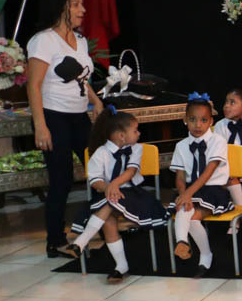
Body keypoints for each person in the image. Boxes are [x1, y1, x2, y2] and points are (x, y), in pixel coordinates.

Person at [25, 0, 105, 256]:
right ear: (61, 8)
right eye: (76, 4)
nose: (83, 9)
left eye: (82, 4)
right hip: (53, 116)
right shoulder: (43, 41)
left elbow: (81, 77)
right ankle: (55, 240)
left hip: (78, 116)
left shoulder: (80, 40)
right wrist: (41, 125)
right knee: (62, 179)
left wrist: (95, 101)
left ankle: (100, 225)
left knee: (99, 169)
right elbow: (33, 85)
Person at [62, 109, 167, 282]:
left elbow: (131, 171)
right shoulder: (100, 153)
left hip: (133, 195)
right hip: (107, 195)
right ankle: (121, 266)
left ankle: (81, 241)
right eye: (135, 130)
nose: (139, 133)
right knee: (108, 220)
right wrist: (108, 188)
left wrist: (113, 185)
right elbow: (95, 181)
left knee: (110, 203)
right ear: (121, 136)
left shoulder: (136, 149)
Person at [169, 94, 232, 277]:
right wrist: (184, 194)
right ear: (185, 120)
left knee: (191, 214)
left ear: (211, 121)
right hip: (190, 189)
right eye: (193, 120)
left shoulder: (218, 141)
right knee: (185, 208)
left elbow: (208, 172)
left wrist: (188, 194)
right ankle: (186, 244)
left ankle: (200, 252)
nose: (198, 125)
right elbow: (180, 177)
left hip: (213, 190)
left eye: (203, 120)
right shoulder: (181, 146)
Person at [215, 89, 242, 227]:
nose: (226, 106)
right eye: (226, 102)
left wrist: (235, 168)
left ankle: (235, 224)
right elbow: (218, 150)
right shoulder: (219, 126)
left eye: (232, 102)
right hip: (223, 168)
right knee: (229, 177)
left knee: (232, 177)